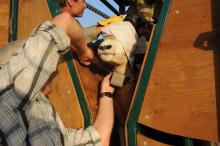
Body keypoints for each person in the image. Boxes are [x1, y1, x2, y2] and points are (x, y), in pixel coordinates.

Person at [0, 0, 115, 146]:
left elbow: (100, 140)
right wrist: (85, 52)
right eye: (51, 72)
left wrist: (106, 92)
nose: (52, 79)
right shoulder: (11, 93)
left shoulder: (44, 119)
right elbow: (64, 23)